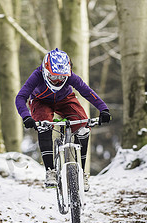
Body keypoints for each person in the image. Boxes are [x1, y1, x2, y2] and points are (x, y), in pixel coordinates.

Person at [15, 48, 111, 190]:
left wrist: (103, 109)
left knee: (83, 127)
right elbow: (20, 97)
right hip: (40, 101)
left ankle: (82, 172)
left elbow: (87, 92)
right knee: (44, 126)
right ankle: (50, 171)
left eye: (62, 77)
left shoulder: (71, 76)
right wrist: (26, 116)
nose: (58, 80)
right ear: (46, 72)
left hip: (65, 99)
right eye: (54, 77)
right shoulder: (37, 75)